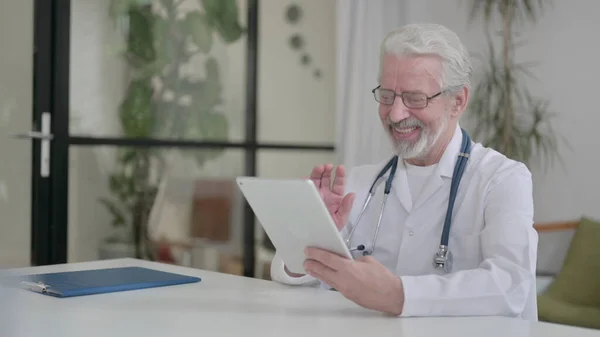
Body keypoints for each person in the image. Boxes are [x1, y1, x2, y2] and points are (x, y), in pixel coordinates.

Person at [269, 23, 539, 320]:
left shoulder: (502, 179)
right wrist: (311, 229)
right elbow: (296, 282)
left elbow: (511, 287)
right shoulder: (360, 183)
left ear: (458, 101)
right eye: (387, 96)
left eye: (414, 98)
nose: (395, 114)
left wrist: (399, 295)